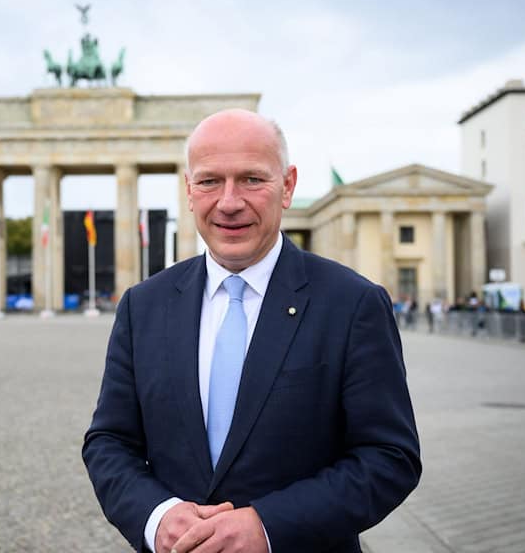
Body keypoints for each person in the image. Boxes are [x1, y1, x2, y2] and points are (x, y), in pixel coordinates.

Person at [82, 110, 421, 553]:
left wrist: (268, 527)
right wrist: (156, 515)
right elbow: (109, 441)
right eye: (209, 181)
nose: (228, 201)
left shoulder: (352, 304)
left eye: (251, 179)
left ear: (288, 186)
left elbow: (389, 458)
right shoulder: (143, 306)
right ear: (188, 190)